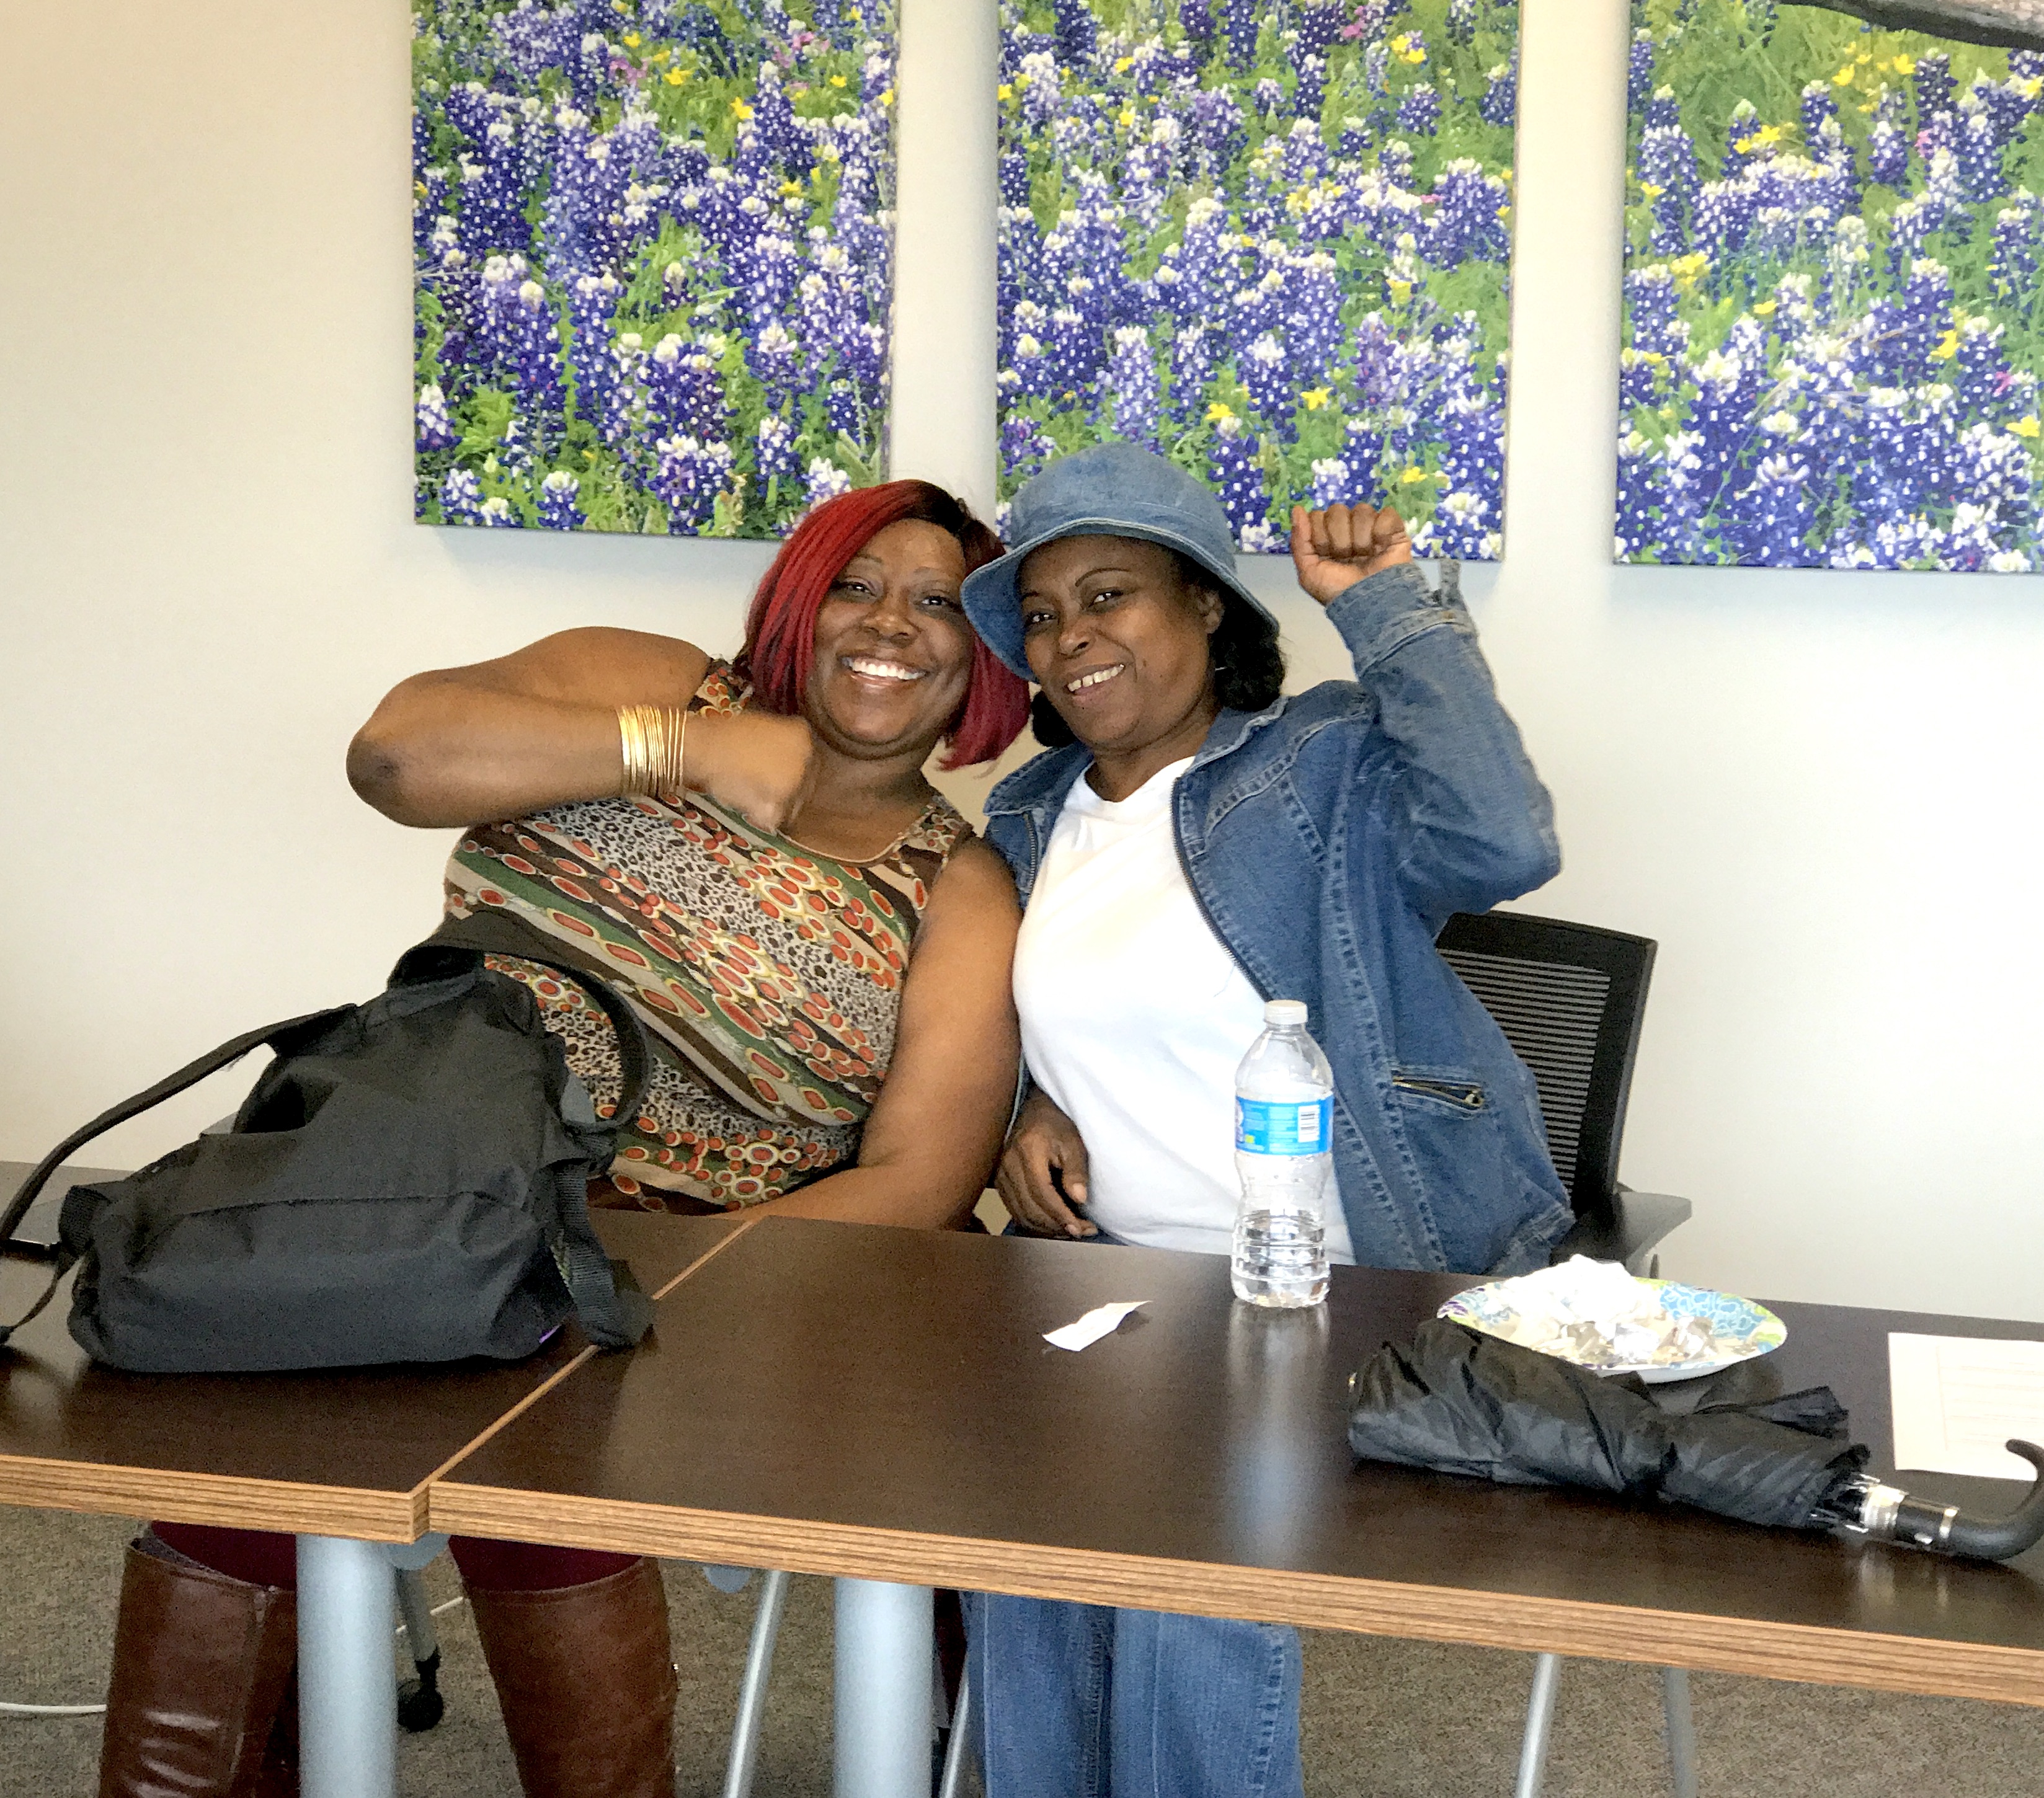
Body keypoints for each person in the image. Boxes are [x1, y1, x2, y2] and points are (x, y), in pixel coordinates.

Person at [92, 480, 1029, 1798]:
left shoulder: (956, 885)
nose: (889, 624)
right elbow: (393, 759)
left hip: (676, 1264)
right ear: (801, 602)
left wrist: (632, 1272)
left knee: (547, 1446)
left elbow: (922, 1181)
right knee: (260, 1453)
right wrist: (686, 752)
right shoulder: (649, 683)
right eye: (856, 585)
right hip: (429, 1177)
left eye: (938, 603)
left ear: (982, 657)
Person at [956, 442, 1573, 1797]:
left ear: (1205, 605)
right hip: (1117, 1291)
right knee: (1018, 1547)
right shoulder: (1028, 815)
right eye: (1043, 616)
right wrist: (1025, 1104)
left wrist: (1386, 604)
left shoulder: (1318, 762)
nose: (1070, 639)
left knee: (1183, 1567)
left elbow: (1505, 843)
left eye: (1109, 596)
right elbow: (1020, 1016)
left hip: (1339, 1285)